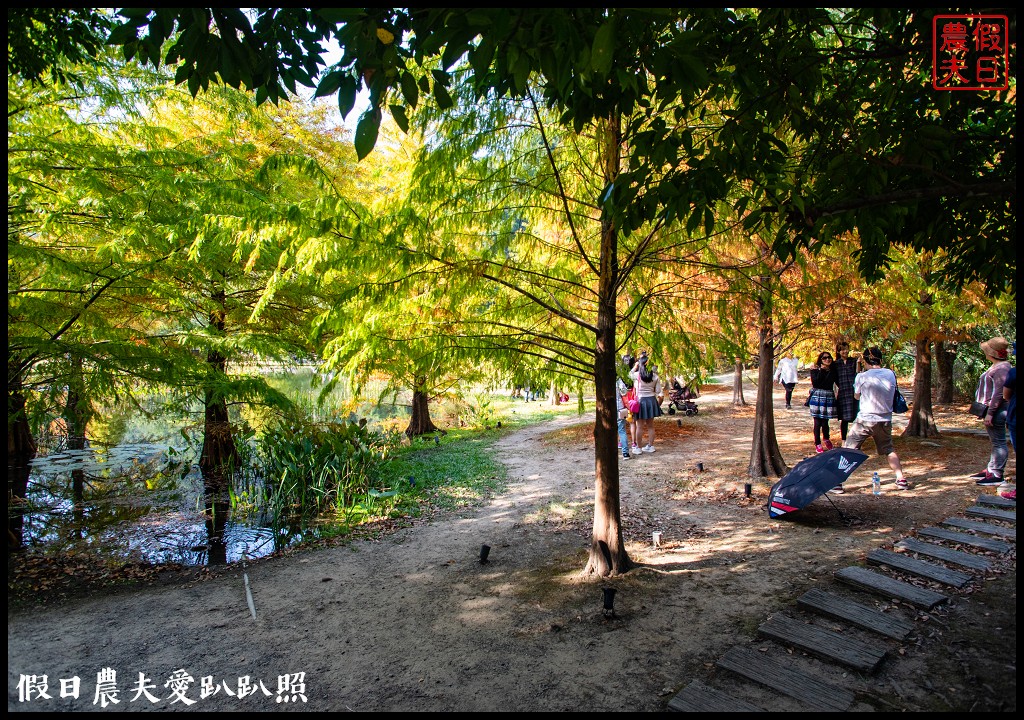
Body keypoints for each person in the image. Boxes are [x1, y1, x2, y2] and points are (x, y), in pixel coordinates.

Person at [836, 346, 908, 494]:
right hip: (885, 419)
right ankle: (901, 479)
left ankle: (838, 482)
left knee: (849, 449)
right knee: (888, 449)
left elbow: (856, 396)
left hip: (865, 419)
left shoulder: (862, 376)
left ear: (865, 360)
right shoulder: (890, 373)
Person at [970, 336, 1012, 487]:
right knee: (995, 441)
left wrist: (991, 412)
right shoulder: (998, 366)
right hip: (992, 409)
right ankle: (991, 468)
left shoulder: (1002, 368)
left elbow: (999, 393)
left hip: (997, 411)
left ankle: (996, 473)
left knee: (999, 442)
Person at [630, 352, 663, 453]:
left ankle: (638, 448)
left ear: (640, 364)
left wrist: (635, 366)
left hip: (641, 401)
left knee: (639, 426)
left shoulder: (637, 375)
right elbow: (658, 392)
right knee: (650, 426)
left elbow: (629, 374)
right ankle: (651, 446)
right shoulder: (655, 377)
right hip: (651, 400)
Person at [807, 350, 838, 453]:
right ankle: (817, 443)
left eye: (829, 357)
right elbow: (816, 383)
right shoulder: (815, 370)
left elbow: (835, 383)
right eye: (824, 358)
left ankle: (826, 438)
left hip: (828, 396)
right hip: (817, 397)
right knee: (817, 422)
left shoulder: (833, 371)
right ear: (820, 360)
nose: (827, 359)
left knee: (825, 421)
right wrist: (821, 371)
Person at [834, 341, 859, 441]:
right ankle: (844, 440)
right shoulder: (836, 364)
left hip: (853, 392)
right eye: (842, 349)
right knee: (844, 418)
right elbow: (834, 378)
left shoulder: (853, 361)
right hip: (843, 392)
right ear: (838, 351)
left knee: (856, 416)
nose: (845, 351)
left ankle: (855, 439)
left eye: (846, 349)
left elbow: (858, 373)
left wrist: (858, 363)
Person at [614, 376, 631, 461]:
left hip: (608, 409)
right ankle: (625, 453)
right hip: (619, 407)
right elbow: (624, 392)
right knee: (622, 430)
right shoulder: (618, 380)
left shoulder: (603, 378)